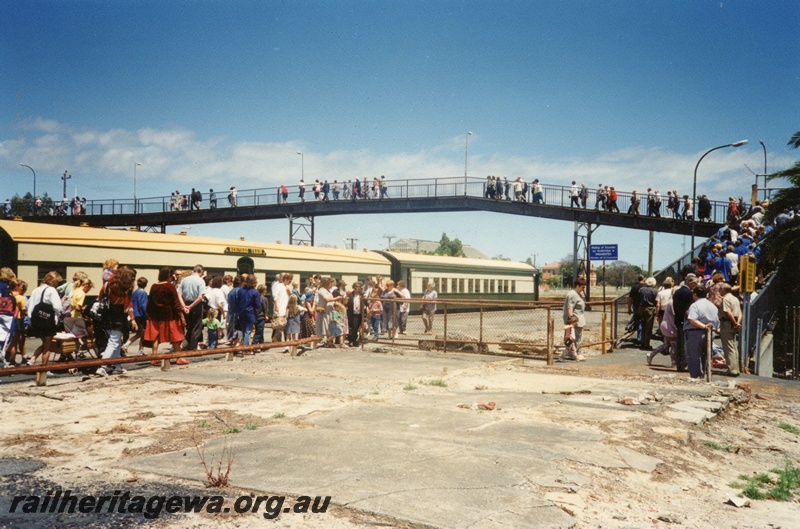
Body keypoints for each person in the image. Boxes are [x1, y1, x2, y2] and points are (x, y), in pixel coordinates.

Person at [96, 267, 137, 376]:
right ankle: (103, 367)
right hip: (118, 315)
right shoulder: (126, 288)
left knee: (116, 341)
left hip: (106, 314)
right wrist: (133, 319)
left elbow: (100, 297)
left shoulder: (108, 285)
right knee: (114, 342)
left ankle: (117, 366)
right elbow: (128, 306)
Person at [144, 267, 187, 362]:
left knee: (155, 336)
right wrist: (181, 314)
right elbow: (176, 302)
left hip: (155, 315)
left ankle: (154, 357)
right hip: (169, 315)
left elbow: (150, 302)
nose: (173, 278)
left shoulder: (153, 286)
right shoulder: (170, 286)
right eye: (172, 275)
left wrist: (149, 314)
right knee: (176, 336)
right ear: (168, 276)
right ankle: (178, 357)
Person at [26, 271, 63, 366]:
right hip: (47, 321)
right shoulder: (52, 290)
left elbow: (28, 305)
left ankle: (33, 359)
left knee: (45, 343)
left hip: (36, 321)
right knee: (47, 346)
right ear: (54, 282)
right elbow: (57, 307)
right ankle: (44, 369)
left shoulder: (35, 290)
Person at [683, 284, 719, 379]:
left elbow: (692, 319)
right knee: (705, 356)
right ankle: (703, 376)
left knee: (694, 356)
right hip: (710, 333)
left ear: (695, 294)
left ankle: (696, 377)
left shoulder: (695, 305)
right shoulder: (712, 306)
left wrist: (704, 326)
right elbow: (717, 321)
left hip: (695, 332)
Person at [178, 264, 206, 351]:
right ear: (201, 271)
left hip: (186, 303)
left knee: (189, 326)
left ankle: (186, 344)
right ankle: (192, 346)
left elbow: (179, 294)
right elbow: (200, 297)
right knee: (196, 326)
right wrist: (190, 306)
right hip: (196, 304)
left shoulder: (184, 280)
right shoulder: (200, 281)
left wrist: (184, 306)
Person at [719, 283, 742, 376]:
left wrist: (734, 323)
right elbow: (740, 313)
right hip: (735, 322)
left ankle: (731, 370)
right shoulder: (735, 298)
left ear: (724, 290)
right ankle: (736, 368)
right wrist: (737, 323)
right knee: (733, 346)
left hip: (727, 323)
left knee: (728, 347)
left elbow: (728, 312)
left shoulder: (726, 299)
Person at [122, 277, 148, 355]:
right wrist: (147, 316)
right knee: (142, 333)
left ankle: (140, 350)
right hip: (141, 315)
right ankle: (128, 345)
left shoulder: (134, 292)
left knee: (141, 333)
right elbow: (143, 306)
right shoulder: (143, 293)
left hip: (135, 314)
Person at [562, 277, 586, 361]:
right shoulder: (573, 294)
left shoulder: (577, 294)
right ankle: (573, 354)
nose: (583, 289)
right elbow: (570, 308)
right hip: (575, 321)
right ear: (578, 286)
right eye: (582, 287)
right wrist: (571, 321)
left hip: (578, 320)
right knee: (573, 338)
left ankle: (572, 353)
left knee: (575, 338)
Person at [237, 274, 261, 348]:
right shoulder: (255, 292)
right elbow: (257, 305)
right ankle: (245, 347)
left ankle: (243, 345)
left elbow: (237, 301)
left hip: (241, 312)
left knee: (244, 331)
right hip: (250, 313)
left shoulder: (240, 290)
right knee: (248, 331)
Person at [636, 277, 658, 350]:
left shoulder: (641, 290)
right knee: (649, 327)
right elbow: (656, 302)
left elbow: (638, 299)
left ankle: (642, 342)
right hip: (650, 308)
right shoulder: (654, 291)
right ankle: (646, 344)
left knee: (643, 325)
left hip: (641, 308)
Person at [345, 282, 364, 347]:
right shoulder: (350, 295)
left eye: (358, 287)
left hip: (359, 313)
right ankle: (350, 340)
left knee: (357, 327)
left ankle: (354, 340)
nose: (357, 288)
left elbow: (366, 303)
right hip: (351, 313)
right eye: (356, 287)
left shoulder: (362, 295)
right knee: (352, 327)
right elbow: (346, 303)